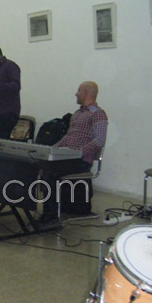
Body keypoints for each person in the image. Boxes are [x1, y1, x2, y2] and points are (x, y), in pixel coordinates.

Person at [42, 81, 108, 219]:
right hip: (68, 157)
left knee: (51, 171)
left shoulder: (98, 114)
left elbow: (99, 141)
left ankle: (51, 215)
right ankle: (48, 209)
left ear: (86, 93)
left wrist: (79, 152)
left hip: (81, 160)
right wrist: (52, 149)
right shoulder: (77, 113)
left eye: (78, 90)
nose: (76, 93)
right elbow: (68, 137)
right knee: (39, 164)